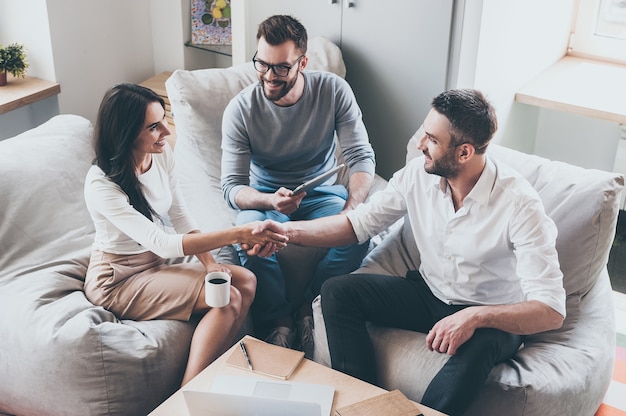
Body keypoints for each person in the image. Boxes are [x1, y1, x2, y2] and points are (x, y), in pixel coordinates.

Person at [252, 89, 566, 415]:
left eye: (431, 139)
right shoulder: (418, 175)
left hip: (490, 318)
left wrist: (475, 316)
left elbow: (550, 309)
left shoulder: (519, 204)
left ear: (464, 152)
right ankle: (364, 407)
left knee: (478, 350)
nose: (420, 145)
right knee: (338, 291)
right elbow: (357, 225)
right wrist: (287, 232)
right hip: (429, 294)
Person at [83, 83, 288, 386]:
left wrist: (209, 263)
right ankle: (187, 395)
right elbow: (164, 244)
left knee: (246, 280)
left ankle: (217, 375)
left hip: (152, 263)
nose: (166, 132)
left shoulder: (160, 155)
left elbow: (179, 215)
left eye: (163, 119)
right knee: (226, 297)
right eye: (154, 127)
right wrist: (239, 233)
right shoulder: (101, 185)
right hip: (118, 278)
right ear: (126, 134)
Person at [220, 14, 376, 355]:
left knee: (358, 232)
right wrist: (267, 201)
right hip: (265, 199)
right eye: (262, 64)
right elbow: (232, 188)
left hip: (322, 196)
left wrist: (352, 211)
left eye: (280, 68)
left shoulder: (334, 91)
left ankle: (310, 308)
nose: (268, 76)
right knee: (250, 236)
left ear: (302, 63)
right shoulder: (241, 110)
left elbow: (361, 158)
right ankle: (278, 322)